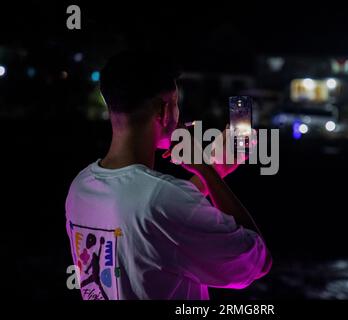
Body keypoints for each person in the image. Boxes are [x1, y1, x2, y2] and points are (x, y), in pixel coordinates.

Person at [65, 50, 272, 300]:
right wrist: (206, 170)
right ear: (162, 110)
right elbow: (255, 260)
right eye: (176, 105)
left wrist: (217, 168)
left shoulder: (80, 187)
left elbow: (159, 215)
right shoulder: (160, 198)